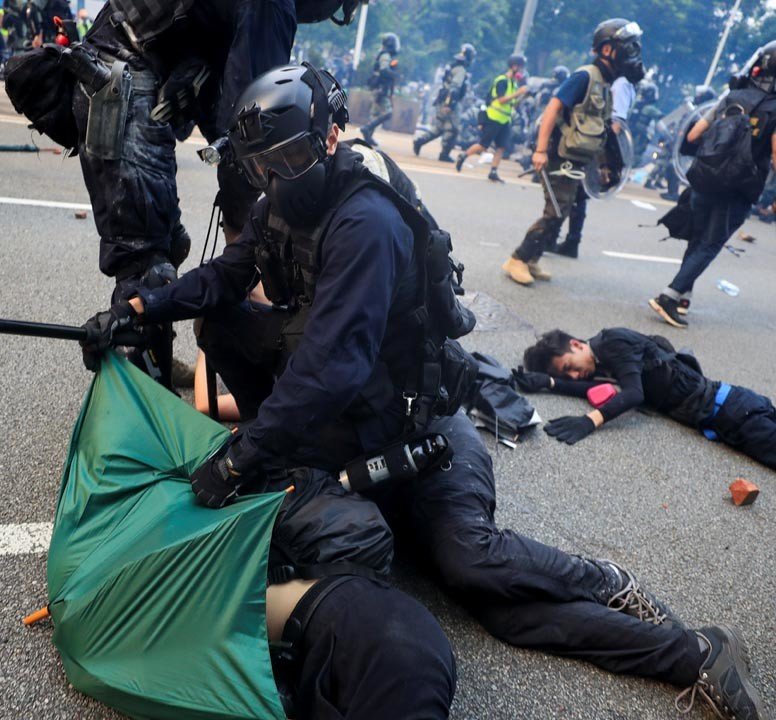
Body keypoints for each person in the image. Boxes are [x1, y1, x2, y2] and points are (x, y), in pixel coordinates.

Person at [79, 63, 765, 720]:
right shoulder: (280, 204)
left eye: (288, 159)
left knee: (477, 575)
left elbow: (330, 369)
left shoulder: (364, 222)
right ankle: (686, 652)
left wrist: (241, 459)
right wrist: (139, 308)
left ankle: (641, 610)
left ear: (329, 137)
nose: (276, 179)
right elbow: (225, 276)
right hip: (350, 429)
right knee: (221, 321)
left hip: (422, 434)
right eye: (262, 167)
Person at [67, 0, 359, 388]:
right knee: (145, 258)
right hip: (119, 73)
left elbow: (230, 110)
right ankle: (143, 395)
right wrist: (247, 234)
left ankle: (153, 358)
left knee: (170, 244)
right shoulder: (272, 5)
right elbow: (253, 129)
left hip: (138, 66)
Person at [503, 18, 645, 287]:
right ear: (607, 49)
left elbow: (601, 130)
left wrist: (602, 166)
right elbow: (553, 109)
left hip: (576, 158)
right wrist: (540, 150)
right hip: (557, 155)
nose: (632, 53)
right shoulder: (585, 76)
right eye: (626, 47)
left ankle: (532, 258)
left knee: (563, 211)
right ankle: (518, 259)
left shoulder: (605, 84)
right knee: (555, 211)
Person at [648, 40, 776, 329]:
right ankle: (669, 296)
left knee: (697, 239)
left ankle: (683, 296)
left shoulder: (730, 98)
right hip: (737, 189)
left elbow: (693, 135)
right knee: (711, 244)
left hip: (704, 180)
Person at [519, 328, 776, 471]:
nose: (574, 375)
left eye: (568, 367)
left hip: (736, 413)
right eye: (567, 375)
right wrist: (549, 383)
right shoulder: (602, 357)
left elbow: (633, 394)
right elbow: (598, 387)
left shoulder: (612, 343)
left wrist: (590, 420)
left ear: (576, 345)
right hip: (728, 413)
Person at [547, 74, 636, 258]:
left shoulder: (620, 84)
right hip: (589, 143)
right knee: (576, 194)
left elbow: (615, 125)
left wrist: (602, 159)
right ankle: (567, 240)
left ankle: (561, 239)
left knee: (572, 192)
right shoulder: (612, 82)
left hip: (591, 146)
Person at [454, 53, 528, 183]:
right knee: (483, 145)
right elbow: (501, 100)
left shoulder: (513, 83)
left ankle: (493, 171)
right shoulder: (502, 81)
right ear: (514, 66)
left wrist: (522, 97)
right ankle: (463, 155)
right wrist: (518, 93)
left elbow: (512, 103)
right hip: (493, 117)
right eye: (521, 67)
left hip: (505, 119)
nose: (522, 71)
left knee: (502, 147)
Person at [413, 42, 475, 161]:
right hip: (449, 102)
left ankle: (420, 141)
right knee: (453, 129)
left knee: (439, 127)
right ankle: (444, 154)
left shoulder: (453, 66)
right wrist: (449, 104)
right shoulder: (461, 70)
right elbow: (454, 89)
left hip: (442, 100)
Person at [359, 32, 400, 147]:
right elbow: (384, 70)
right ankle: (366, 128)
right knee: (388, 113)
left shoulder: (382, 54)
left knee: (375, 114)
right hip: (381, 88)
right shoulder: (385, 55)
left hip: (378, 87)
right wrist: (394, 75)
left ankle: (368, 138)